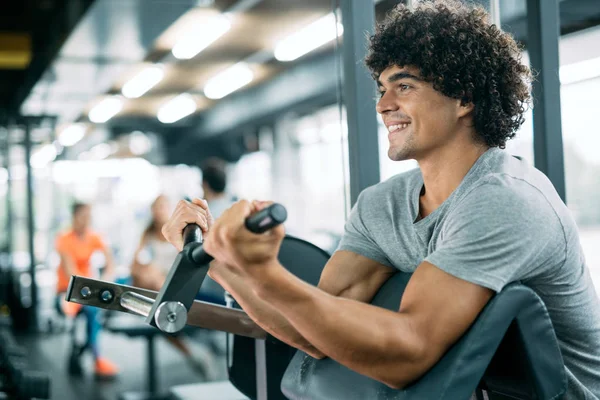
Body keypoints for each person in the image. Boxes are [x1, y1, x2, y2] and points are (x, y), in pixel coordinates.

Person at [161, 1, 600, 398]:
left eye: (404, 86)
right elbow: (313, 332)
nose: (382, 104)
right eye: (382, 87)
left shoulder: (505, 200)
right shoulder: (382, 206)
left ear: (465, 97)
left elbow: (406, 353)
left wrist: (265, 273)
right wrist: (216, 261)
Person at [131, 195, 218, 379]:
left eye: (163, 207)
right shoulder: (148, 234)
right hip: (159, 286)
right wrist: (146, 269)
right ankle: (193, 353)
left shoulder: (182, 230)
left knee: (161, 311)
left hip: (180, 281)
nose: (159, 211)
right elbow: (135, 263)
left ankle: (196, 352)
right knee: (159, 312)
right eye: (156, 207)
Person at [56, 202, 118, 379]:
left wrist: (106, 278)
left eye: (88, 216)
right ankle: (96, 358)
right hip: (66, 290)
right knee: (89, 309)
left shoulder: (94, 237)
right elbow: (71, 274)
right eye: (83, 216)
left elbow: (110, 263)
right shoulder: (64, 239)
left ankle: (92, 355)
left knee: (92, 309)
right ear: (74, 217)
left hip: (88, 292)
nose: (86, 220)